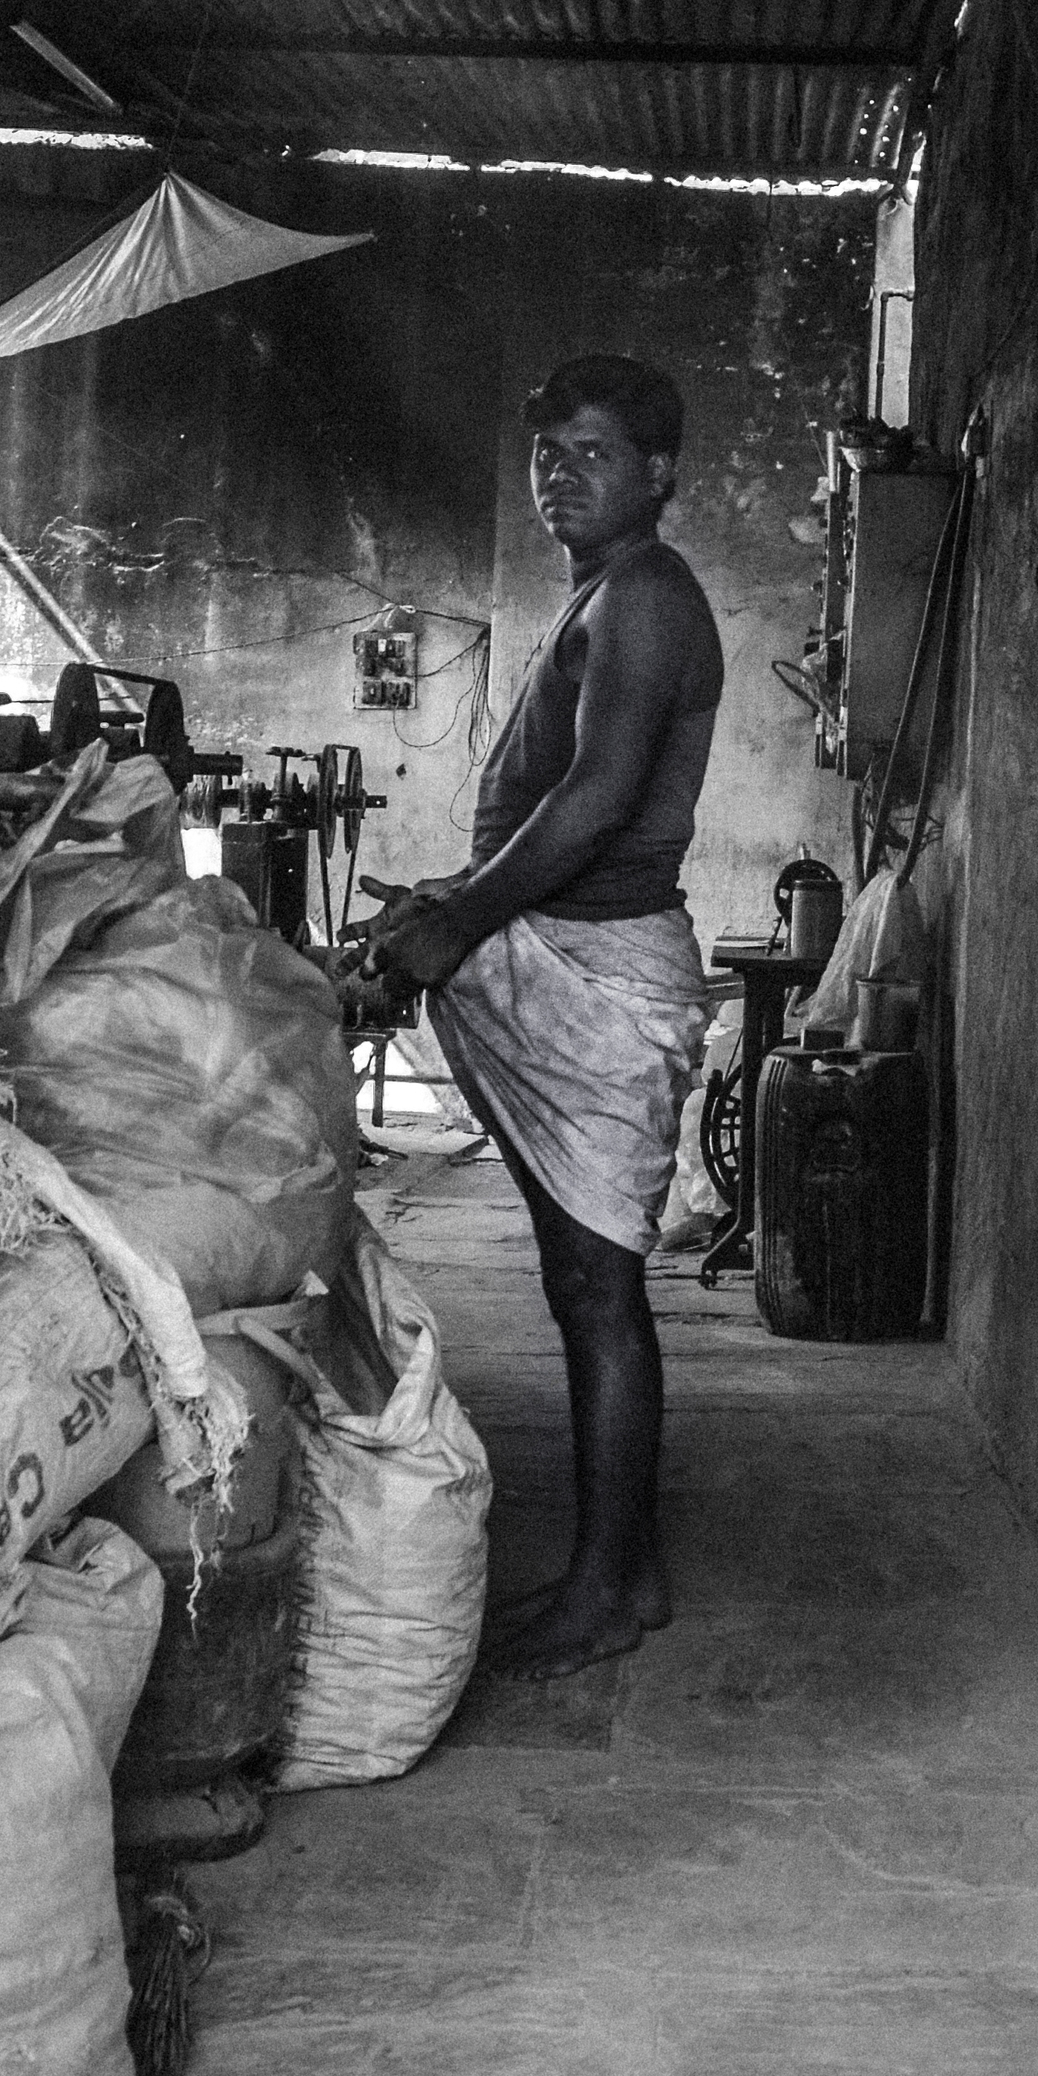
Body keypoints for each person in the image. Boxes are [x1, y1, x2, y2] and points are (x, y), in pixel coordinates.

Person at [368, 355, 724, 1678]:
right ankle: (616, 1575)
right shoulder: (604, 591)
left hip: (607, 965)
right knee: (582, 1281)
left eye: (591, 452)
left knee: (600, 1285)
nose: (560, 476)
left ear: (659, 472)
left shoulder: (647, 597)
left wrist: (460, 918)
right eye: (548, 456)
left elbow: (598, 798)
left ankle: (607, 1589)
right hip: (569, 949)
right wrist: (452, 907)